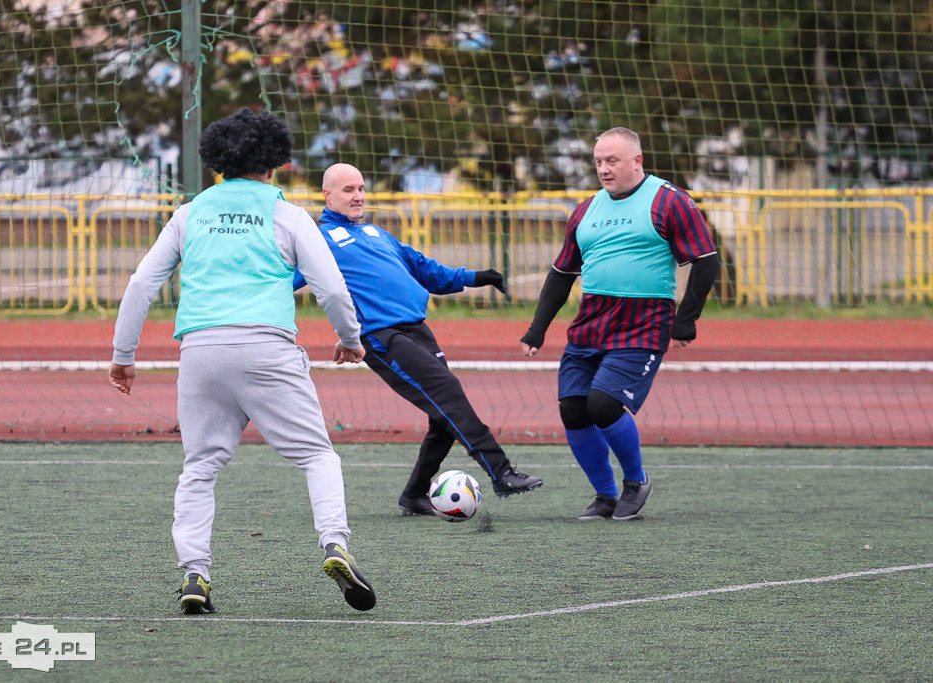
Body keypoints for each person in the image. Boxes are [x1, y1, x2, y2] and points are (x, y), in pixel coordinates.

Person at [108, 109, 376, 613]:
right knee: (317, 455)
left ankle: (194, 575)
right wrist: (350, 338)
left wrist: (124, 356)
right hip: (267, 349)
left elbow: (142, 284)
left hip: (201, 353)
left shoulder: (189, 213)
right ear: (274, 163)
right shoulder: (288, 214)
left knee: (201, 467)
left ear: (217, 163)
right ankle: (334, 545)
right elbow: (331, 287)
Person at [294, 163, 543, 517]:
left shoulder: (376, 233)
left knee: (443, 417)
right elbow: (282, 281)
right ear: (327, 195)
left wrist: (476, 277)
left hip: (418, 330)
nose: (358, 196)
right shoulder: (318, 241)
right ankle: (501, 471)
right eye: (348, 189)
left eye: (361, 188)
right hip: (382, 338)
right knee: (448, 392)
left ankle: (413, 496)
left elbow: (424, 268)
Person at [520, 127, 718, 521]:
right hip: (590, 323)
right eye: (598, 162)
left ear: (636, 161)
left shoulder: (669, 200)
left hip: (643, 324)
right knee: (573, 409)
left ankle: (636, 480)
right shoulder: (585, 209)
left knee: (605, 404)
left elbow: (707, 259)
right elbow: (562, 273)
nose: (604, 170)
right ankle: (605, 495)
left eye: (612, 161)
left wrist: (686, 319)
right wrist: (537, 328)